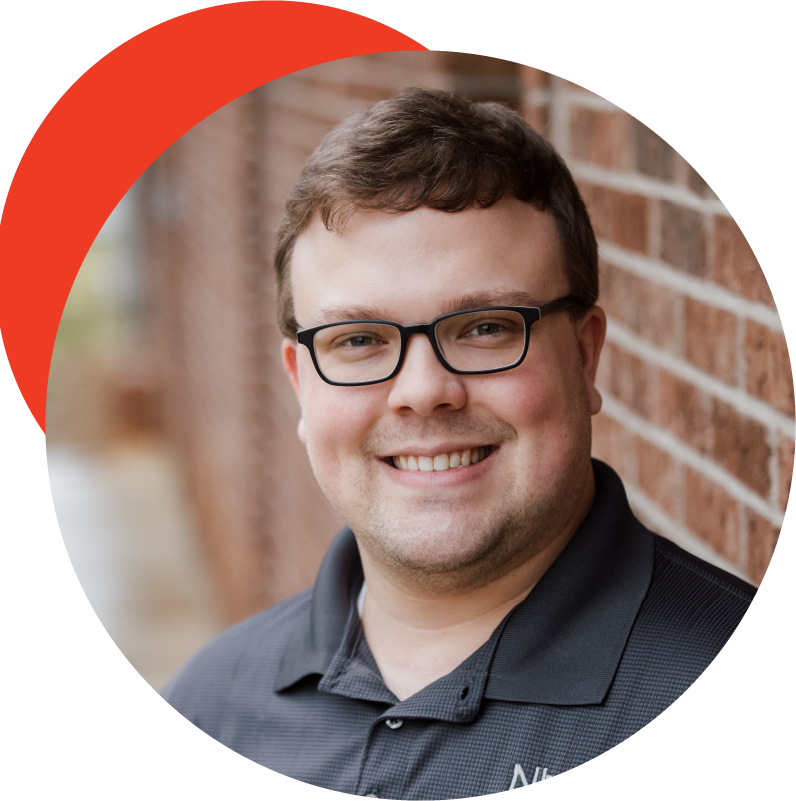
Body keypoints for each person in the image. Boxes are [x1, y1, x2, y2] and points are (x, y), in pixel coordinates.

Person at [161, 88, 755, 799]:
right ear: (300, 382)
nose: (422, 389)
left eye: (483, 327)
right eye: (358, 340)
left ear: (585, 355)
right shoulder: (209, 711)